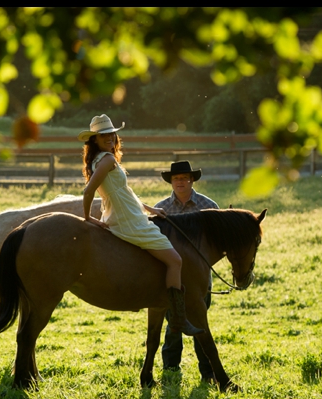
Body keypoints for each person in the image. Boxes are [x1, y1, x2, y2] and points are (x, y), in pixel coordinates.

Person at [79, 115, 203, 336]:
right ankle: (178, 319)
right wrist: (88, 217)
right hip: (129, 222)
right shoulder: (107, 160)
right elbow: (88, 191)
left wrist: (150, 209)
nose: (109, 138)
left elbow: (124, 193)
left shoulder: (99, 160)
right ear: (95, 139)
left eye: (111, 134)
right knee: (175, 261)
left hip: (125, 215)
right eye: (103, 135)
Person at [153, 161, 220, 382]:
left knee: (201, 326)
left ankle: (207, 372)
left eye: (183, 178)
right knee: (173, 325)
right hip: (171, 278)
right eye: (176, 179)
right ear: (171, 182)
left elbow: (216, 246)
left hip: (200, 280)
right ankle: (171, 370)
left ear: (191, 180)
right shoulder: (161, 209)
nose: (180, 182)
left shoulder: (208, 206)